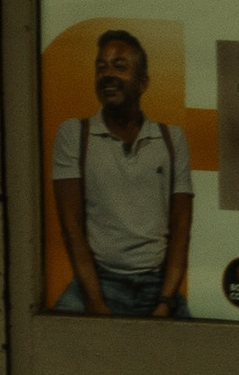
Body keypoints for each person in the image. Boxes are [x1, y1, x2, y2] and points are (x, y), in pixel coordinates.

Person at [51, 29, 194, 318]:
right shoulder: (74, 135)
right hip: (97, 283)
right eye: (101, 67)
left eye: (120, 66)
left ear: (143, 83)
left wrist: (166, 302)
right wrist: (96, 303)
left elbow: (181, 228)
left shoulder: (171, 138)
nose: (107, 74)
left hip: (158, 286)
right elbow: (72, 229)